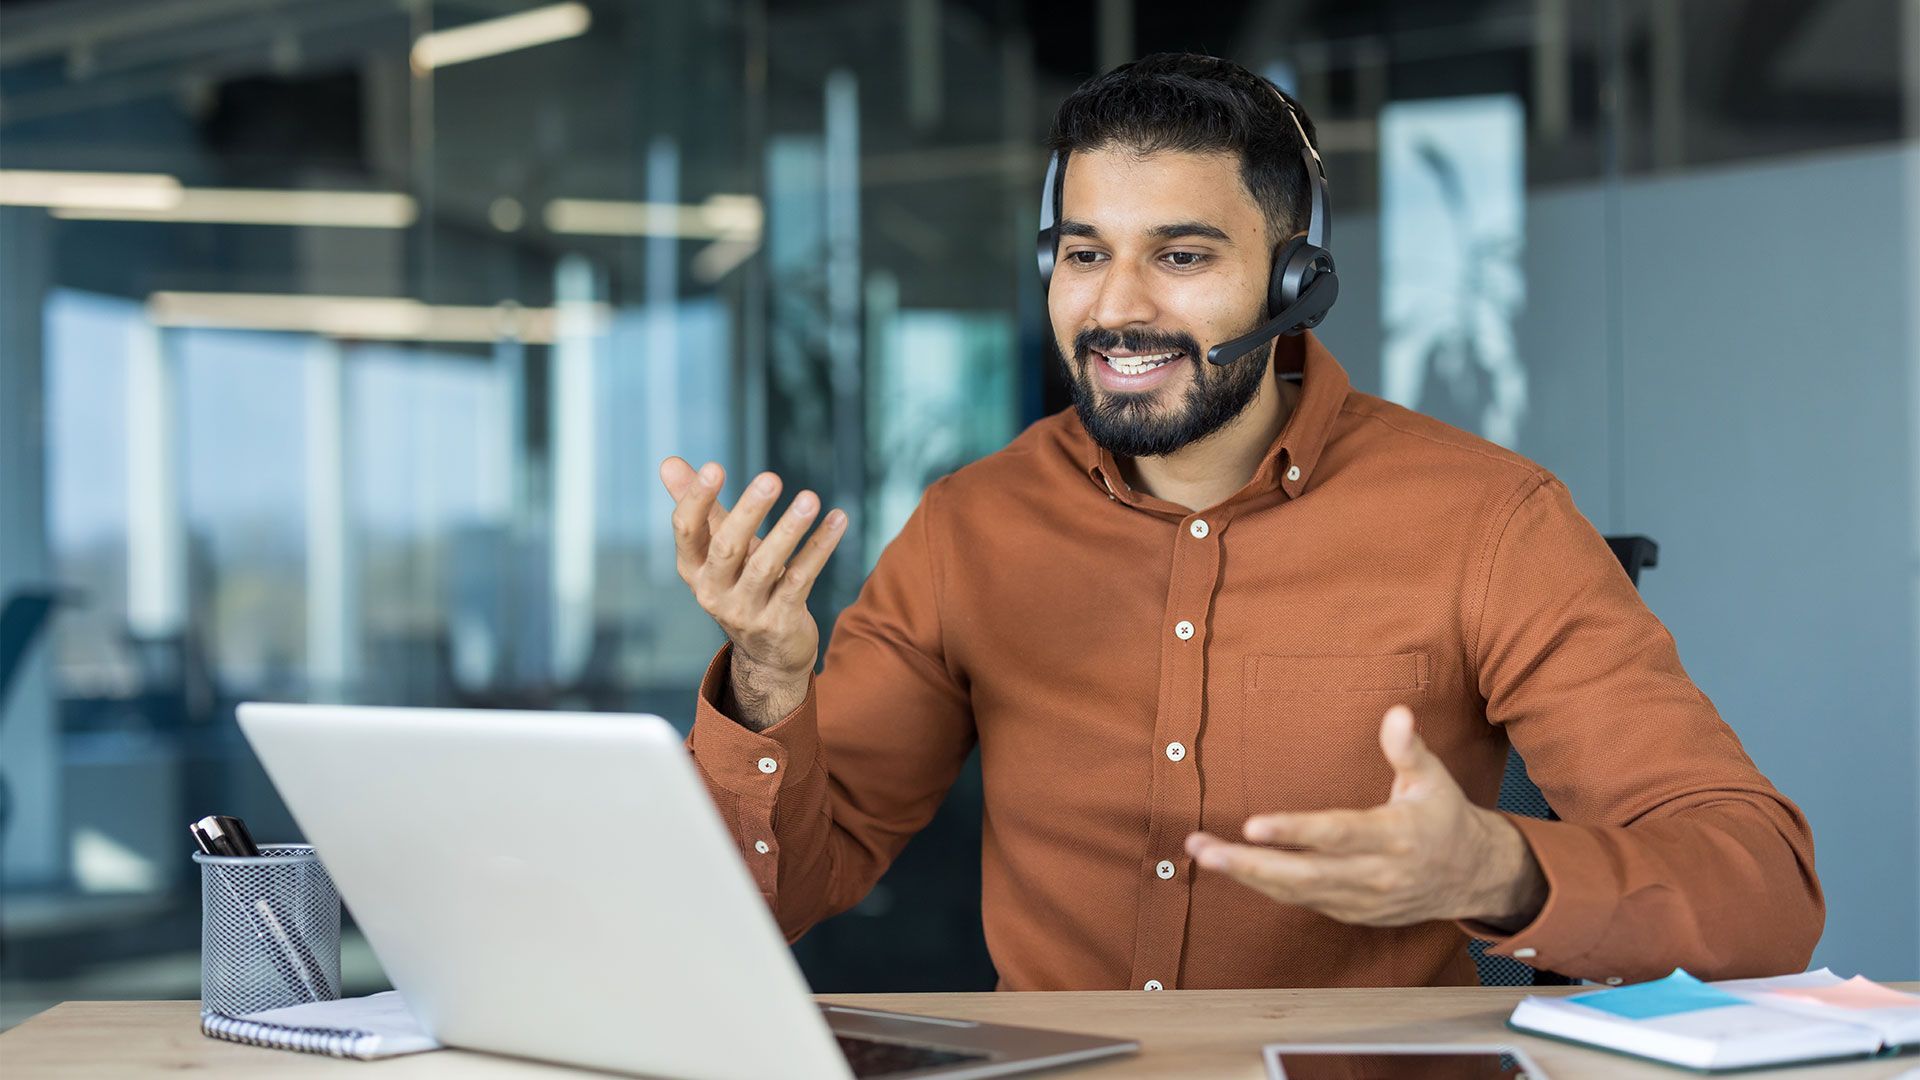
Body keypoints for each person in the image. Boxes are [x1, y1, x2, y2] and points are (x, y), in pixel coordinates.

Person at [657, 53, 1821, 991]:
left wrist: (1505, 868)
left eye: (1182, 255)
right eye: (1083, 255)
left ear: (1294, 281)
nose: (1117, 308)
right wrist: (766, 684)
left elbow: (1762, 888)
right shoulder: (976, 525)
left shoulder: (1488, 520)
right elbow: (776, 892)